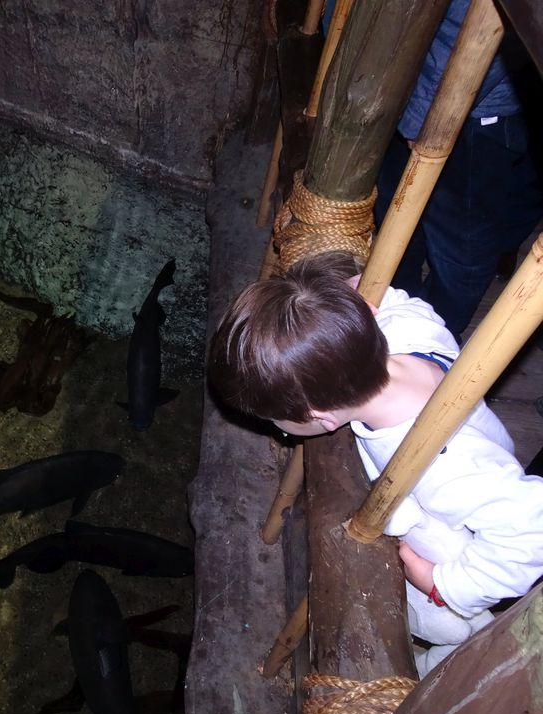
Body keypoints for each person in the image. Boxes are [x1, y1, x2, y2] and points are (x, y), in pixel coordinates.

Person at [208, 251, 543, 676]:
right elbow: (384, 297)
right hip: (474, 478)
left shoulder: (441, 469)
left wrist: (447, 586)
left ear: (320, 419)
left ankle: (434, 673)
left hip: (466, 533)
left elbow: (533, 529)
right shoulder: (403, 327)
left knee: (455, 633)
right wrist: (324, 300)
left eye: (279, 424)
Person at [372, 0, 543, 339]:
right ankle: (395, 313)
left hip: (465, 106)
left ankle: (419, 343)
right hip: (405, 80)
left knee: (462, 256)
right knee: (397, 214)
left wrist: (426, 116)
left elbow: (482, 25)